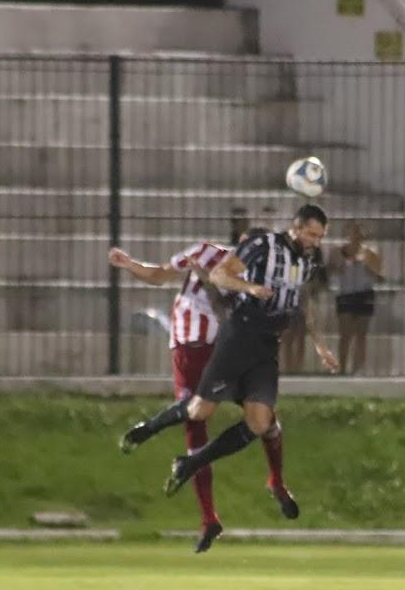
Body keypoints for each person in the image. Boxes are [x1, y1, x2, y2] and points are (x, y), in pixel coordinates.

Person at [120, 204, 339, 504]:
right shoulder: (264, 245)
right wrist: (249, 288)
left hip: (267, 345)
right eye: (313, 234)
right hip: (239, 336)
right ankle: (150, 427)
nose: (316, 241)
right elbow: (220, 275)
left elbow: (302, 301)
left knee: (260, 422)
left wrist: (320, 343)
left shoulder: (308, 261)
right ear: (297, 228)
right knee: (200, 410)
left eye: (321, 236)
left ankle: (189, 464)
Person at [108, 234, 293, 553]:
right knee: (195, 424)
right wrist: (129, 264)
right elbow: (161, 274)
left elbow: (229, 311)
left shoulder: (255, 279)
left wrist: (209, 279)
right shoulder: (206, 251)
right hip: (187, 348)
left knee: (260, 415)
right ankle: (209, 519)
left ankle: (275, 480)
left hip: (224, 350)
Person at [328, 221, 383, 375]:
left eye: (359, 232)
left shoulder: (371, 252)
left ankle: (358, 370)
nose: (356, 235)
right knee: (344, 334)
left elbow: (380, 276)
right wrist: (338, 267)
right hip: (345, 293)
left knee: (361, 335)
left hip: (364, 293)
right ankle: (342, 368)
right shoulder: (337, 252)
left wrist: (369, 267)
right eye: (353, 232)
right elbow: (328, 270)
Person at [280, 244, 327, 373]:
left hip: (306, 305)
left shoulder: (315, 267)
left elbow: (319, 285)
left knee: (300, 339)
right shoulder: (295, 264)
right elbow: (294, 283)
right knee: (288, 338)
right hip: (292, 304)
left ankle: (296, 368)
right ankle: (288, 368)